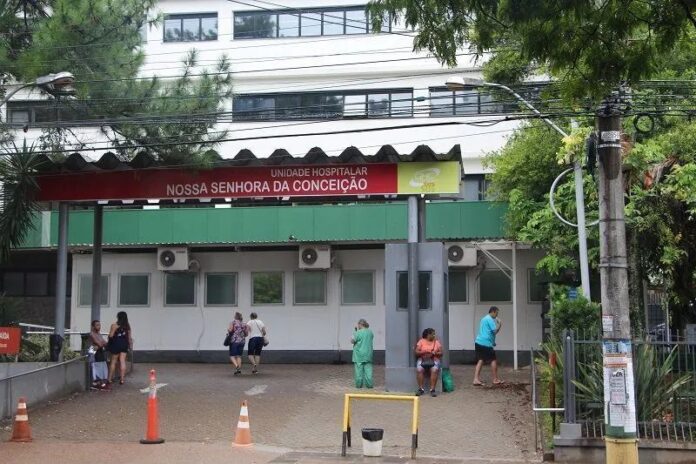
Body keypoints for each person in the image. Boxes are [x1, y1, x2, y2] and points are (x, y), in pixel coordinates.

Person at [473, 306, 503, 386]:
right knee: (493, 360)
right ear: (493, 311)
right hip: (486, 344)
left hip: (479, 342)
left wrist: (493, 342)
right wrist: (500, 324)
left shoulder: (484, 318)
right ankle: (495, 379)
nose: (497, 315)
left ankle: (476, 379)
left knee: (481, 360)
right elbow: (494, 332)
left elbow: (487, 332)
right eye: (496, 313)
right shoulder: (490, 320)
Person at [415, 328, 443, 397]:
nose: (434, 335)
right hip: (423, 359)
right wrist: (424, 351)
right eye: (433, 334)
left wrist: (435, 353)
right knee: (419, 369)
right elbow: (416, 352)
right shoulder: (421, 341)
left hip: (434, 359)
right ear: (428, 335)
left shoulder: (436, 342)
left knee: (434, 370)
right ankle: (421, 389)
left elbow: (441, 353)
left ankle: (432, 389)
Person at [108, 311, 132, 385]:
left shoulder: (114, 325)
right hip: (124, 344)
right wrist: (129, 346)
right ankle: (122, 379)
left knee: (113, 361)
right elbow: (129, 338)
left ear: (118, 317)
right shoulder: (127, 327)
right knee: (122, 361)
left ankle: (109, 379)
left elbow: (111, 336)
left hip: (116, 344)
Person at [351, 319, 374, 388]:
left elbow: (352, 341)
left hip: (359, 355)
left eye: (358, 324)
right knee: (368, 371)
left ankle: (359, 385)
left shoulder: (358, 332)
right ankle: (369, 385)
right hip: (368, 354)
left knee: (358, 371)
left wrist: (354, 333)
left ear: (360, 324)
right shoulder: (370, 332)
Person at [89, 320, 109, 390]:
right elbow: (99, 343)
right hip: (94, 353)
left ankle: (101, 383)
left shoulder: (99, 334)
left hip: (100, 351)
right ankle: (96, 383)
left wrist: (102, 343)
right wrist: (101, 343)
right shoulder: (92, 334)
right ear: (93, 326)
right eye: (97, 325)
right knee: (96, 367)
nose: (99, 327)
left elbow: (105, 343)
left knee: (103, 366)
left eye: (99, 325)